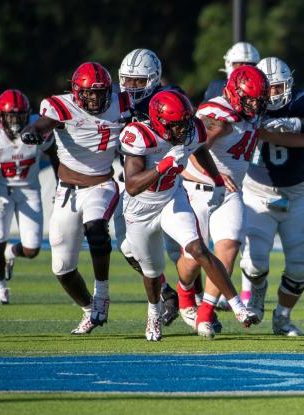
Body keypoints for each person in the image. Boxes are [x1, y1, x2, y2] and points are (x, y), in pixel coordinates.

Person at [180, 65, 304, 337]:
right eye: (255, 99)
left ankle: (207, 315)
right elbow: (192, 149)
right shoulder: (219, 117)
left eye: (261, 99)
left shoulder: (254, 109)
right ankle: (184, 296)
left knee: (232, 247)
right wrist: (216, 175)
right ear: (236, 93)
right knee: (194, 259)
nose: (260, 104)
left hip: (241, 191)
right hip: (204, 186)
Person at [119, 90, 258, 341]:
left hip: (172, 198)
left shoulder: (191, 129)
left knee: (198, 249)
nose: (183, 130)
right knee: (151, 272)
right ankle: (153, 312)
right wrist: (164, 165)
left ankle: (237, 306)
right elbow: (132, 185)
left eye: (185, 122)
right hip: (141, 208)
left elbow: (200, 148)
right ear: (159, 122)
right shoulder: (140, 136)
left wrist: (216, 180)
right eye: (176, 125)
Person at [20, 62, 131, 334]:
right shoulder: (61, 105)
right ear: (76, 91)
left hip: (102, 185)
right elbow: (46, 122)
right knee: (62, 268)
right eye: (88, 93)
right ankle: (88, 309)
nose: (94, 98)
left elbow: (149, 106)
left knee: (96, 229)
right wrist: (36, 129)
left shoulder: (121, 103)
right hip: (66, 192)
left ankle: (102, 292)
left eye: (100, 92)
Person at [239, 57, 304, 336]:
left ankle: (282, 317)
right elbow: (262, 133)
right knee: (253, 261)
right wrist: (291, 133)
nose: (273, 94)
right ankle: (257, 294)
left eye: (278, 87)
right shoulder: (246, 104)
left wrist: (292, 123)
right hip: (257, 191)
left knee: (302, 264)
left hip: (298, 192)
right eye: (267, 88)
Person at [114, 48, 185, 326]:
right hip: (134, 184)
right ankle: (167, 291)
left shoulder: (169, 99)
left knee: (180, 245)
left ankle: (194, 299)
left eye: (137, 82)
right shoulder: (116, 102)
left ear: (154, 79)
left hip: (166, 182)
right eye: (127, 81)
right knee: (127, 247)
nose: (131, 88)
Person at [0, 89, 57, 304]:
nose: (15, 121)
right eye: (10, 116)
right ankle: (0, 288)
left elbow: (55, 156)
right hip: (0, 189)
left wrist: (61, 187)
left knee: (32, 250)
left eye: (19, 116)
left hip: (29, 190)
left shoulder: (38, 128)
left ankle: (11, 253)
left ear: (28, 115)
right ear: (0, 117)